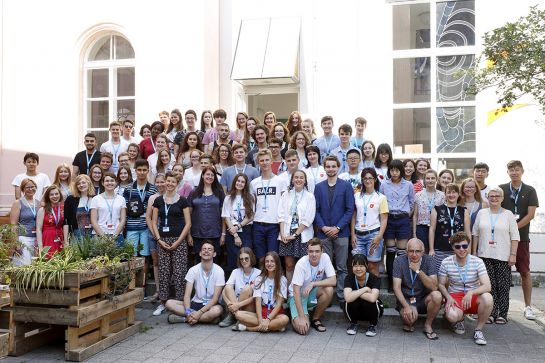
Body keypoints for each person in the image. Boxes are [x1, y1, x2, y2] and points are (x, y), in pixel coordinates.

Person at [472, 187, 519, 324]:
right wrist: (474, 252)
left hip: (503, 256)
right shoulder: (482, 213)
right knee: (489, 286)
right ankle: (491, 313)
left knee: (503, 286)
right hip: (484, 255)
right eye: (491, 196)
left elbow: (515, 236)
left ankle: (502, 314)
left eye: (497, 196)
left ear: (502, 198)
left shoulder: (508, 214)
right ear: (487, 197)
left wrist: (513, 255)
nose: (494, 198)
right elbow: (475, 233)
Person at [499, 160, 539, 320]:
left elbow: (531, 215)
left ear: (522, 171)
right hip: (503, 238)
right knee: (502, 273)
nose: (514, 172)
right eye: (511, 170)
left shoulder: (530, 190)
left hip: (521, 238)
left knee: (524, 272)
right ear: (507, 172)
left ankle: (528, 306)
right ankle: (501, 307)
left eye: (517, 170)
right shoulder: (501, 189)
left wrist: (513, 228)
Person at [438, 232, 493, 345]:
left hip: (473, 295)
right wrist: (448, 297)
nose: (461, 249)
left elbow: (487, 286)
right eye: (457, 247)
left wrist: (471, 292)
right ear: (453, 247)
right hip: (455, 296)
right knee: (452, 316)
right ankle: (459, 319)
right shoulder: (446, 262)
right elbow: (441, 284)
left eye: (464, 246)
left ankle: (478, 330)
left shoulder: (477, 261)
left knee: (488, 298)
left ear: (468, 245)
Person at [314, 155, 355, 303]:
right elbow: (315, 210)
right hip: (323, 233)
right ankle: (327, 296)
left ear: (338, 167)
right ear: (324, 168)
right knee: (325, 266)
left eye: (333, 166)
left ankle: (342, 296)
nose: (331, 169)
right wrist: (324, 227)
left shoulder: (346, 186)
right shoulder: (318, 187)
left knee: (342, 266)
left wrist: (337, 227)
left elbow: (350, 210)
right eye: (328, 166)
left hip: (341, 232)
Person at [150, 172, 191, 316]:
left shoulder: (183, 201)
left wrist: (179, 241)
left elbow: (188, 223)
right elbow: (154, 222)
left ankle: (179, 303)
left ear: (177, 184)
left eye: (173, 182)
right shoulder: (158, 201)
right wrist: (159, 239)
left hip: (179, 240)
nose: (170, 184)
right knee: (164, 272)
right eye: (168, 181)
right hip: (162, 241)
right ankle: (163, 303)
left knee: (180, 273)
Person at [392, 238, 442, 338]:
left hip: (422, 299)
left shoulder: (429, 260)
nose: (414, 254)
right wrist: (406, 306)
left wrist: (418, 271)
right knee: (409, 321)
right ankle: (410, 320)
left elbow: (434, 286)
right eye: (411, 251)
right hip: (406, 300)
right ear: (406, 251)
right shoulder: (399, 261)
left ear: (423, 251)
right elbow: (396, 288)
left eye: (417, 251)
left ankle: (428, 325)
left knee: (437, 295)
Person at [165, 241, 225, 325]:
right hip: (195, 304)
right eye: (204, 249)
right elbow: (187, 296)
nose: (206, 251)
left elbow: (215, 299)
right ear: (200, 253)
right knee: (169, 303)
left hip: (211, 305)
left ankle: (185, 319)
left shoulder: (219, 271)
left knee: (217, 311)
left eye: (209, 249)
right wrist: (188, 312)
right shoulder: (193, 270)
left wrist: (199, 313)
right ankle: (205, 319)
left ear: (214, 254)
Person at [380, 159, 415, 291]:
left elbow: (412, 203)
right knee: (390, 253)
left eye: (397, 170)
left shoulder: (408, 185)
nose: (394, 173)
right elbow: (381, 202)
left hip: (403, 219)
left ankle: (400, 283)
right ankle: (390, 283)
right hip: (389, 219)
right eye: (392, 170)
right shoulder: (384, 184)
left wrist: (405, 215)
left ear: (401, 170)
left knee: (401, 254)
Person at [232, 251, 290, 332]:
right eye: (267, 261)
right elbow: (257, 301)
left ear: (277, 263)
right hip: (261, 313)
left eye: (272, 261)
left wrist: (268, 320)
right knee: (238, 314)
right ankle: (274, 327)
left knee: (285, 319)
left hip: (275, 314)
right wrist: (260, 320)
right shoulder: (259, 279)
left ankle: (249, 328)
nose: (269, 264)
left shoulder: (282, 280)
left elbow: (279, 304)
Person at [289, 238, 336, 335]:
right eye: (311, 251)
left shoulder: (325, 257)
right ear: (307, 251)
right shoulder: (301, 263)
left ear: (322, 251)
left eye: (317, 251)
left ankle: (315, 318)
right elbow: (296, 291)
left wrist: (313, 284)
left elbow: (333, 281)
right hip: (297, 296)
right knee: (304, 329)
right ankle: (295, 314)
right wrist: (301, 318)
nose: (314, 254)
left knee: (329, 290)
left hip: (311, 293)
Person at [278, 170, 316, 281]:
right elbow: (281, 215)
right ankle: (290, 293)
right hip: (286, 233)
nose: (298, 180)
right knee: (289, 265)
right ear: (292, 180)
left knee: (303, 265)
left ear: (305, 180)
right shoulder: (286, 194)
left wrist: (294, 235)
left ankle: (303, 292)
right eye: (296, 177)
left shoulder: (310, 196)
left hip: (302, 234)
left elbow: (308, 219)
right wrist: (282, 234)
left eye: (301, 177)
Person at [250, 150, 288, 262]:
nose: (264, 163)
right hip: (258, 223)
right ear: (258, 163)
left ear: (271, 161)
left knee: (273, 257)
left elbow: (284, 204)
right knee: (261, 258)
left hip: (274, 224)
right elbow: (252, 204)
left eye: (267, 160)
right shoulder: (254, 183)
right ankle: (262, 279)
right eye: (262, 160)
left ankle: (274, 279)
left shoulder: (280, 181)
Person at [351, 168, 388, 276]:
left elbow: (384, 219)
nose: (368, 181)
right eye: (365, 178)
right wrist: (353, 234)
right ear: (362, 180)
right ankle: (360, 291)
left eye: (370, 178)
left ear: (375, 179)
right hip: (358, 235)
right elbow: (353, 216)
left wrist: (379, 236)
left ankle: (373, 290)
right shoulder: (356, 196)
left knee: (372, 265)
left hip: (373, 234)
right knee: (358, 264)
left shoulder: (381, 198)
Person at [124, 159, 157, 278]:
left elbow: (154, 211)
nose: (142, 172)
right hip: (131, 226)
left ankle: (142, 285)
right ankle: (131, 283)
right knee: (131, 256)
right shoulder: (128, 188)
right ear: (135, 171)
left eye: (144, 170)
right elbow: (125, 208)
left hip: (146, 227)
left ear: (148, 170)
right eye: (139, 170)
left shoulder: (153, 188)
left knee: (144, 256)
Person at [429, 183, 471, 273]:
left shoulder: (464, 211)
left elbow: (468, 232)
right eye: (448, 192)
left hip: (459, 249)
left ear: (458, 194)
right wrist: (431, 249)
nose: (451, 195)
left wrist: (468, 249)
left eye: (454, 192)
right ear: (445, 194)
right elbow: (432, 230)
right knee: (440, 275)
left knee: (456, 275)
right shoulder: (436, 209)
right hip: (440, 249)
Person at [188, 166, 226, 262]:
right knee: (198, 260)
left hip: (215, 233)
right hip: (197, 234)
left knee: (215, 261)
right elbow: (188, 215)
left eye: (212, 175)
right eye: (207, 174)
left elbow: (224, 215)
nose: (210, 177)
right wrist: (188, 234)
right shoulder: (194, 192)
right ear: (202, 176)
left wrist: (223, 234)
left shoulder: (219, 193)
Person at [222, 173, 255, 274]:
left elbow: (250, 216)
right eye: (238, 181)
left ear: (246, 184)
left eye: (243, 182)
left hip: (245, 230)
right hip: (231, 232)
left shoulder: (250, 197)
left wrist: (238, 226)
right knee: (233, 259)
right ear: (234, 182)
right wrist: (235, 234)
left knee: (246, 257)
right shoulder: (228, 198)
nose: (240, 183)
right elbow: (226, 216)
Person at [219, 248, 261, 328]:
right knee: (228, 286)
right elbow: (224, 291)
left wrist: (238, 305)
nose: (244, 261)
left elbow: (256, 297)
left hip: (248, 306)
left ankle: (236, 316)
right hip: (234, 304)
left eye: (246, 258)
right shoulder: (235, 271)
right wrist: (229, 303)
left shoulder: (258, 273)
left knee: (247, 288)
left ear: (251, 258)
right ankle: (235, 315)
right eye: (241, 259)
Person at [343, 254, 383, 337]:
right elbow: (347, 298)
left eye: (361, 266)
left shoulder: (375, 279)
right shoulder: (349, 278)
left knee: (370, 302)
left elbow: (372, 298)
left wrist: (354, 293)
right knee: (349, 302)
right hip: (356, 311)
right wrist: (365, 289)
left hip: (371, 311)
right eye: (355, 266)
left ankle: (373, 325)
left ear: (367, 266)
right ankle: (353, 323)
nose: (358, 269)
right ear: (352, 266)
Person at [89, 172, 126, 246]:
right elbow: (93, 221)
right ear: (102, 183)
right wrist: (104, 238)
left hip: (117, 235)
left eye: (112, 180)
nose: (110, 183)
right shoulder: (96, 199)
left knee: (119, 258)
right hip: (99, 235)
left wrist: (114, 237)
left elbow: (123, 220)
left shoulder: (121, 199)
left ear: (116, 183)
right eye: (107, 181)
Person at [145, 173, 166, 302]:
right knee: (156, 261)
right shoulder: (152, 197)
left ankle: (166, 289)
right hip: (153, 232)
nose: (159, 185)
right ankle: (158, 290)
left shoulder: (171, 196)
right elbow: (148, 216)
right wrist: (153, 231)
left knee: (167, 261)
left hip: (166, 232)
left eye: (162, 182)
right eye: (157, 182)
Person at [413, 169, 446, 252]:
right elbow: (415, 215)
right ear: (424, 180)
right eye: (428, 178)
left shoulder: (442, 195)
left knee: (435, 251)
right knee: (422, 252)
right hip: (422, 227)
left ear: (436, 180)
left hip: (437, 227)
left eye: (432, 178)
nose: (430, 180)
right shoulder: (418, 195)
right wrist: (414, 233)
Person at [9, 179, 39, 265]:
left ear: (35, 188)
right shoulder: (18, 203)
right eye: (27, 187)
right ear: (23, 189)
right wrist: (16, 243)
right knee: (24, 267)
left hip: (36, 239)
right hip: (23, 239)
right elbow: (13, 225)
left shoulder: (38, 203)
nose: (30, 189)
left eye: (32, 186)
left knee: (35, 268)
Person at [63, 174, 96, 241]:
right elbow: (66, 222)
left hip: (93, 236)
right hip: (77, 237)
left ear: (89, 183)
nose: (81, 185)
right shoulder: (70, 199)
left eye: (83, 182)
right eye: (78, 184)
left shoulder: (96, 199)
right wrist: (66, 241)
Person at [36, 185, 65, 258]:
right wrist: (40, 247)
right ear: (48, 197)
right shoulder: (43, 210)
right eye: (51, 194)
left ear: (60, 195)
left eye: (56, 194)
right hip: (47, 238)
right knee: (48, 260)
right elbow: (38, 229)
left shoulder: (63, 208)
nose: (54, 196)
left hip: (60, 237)